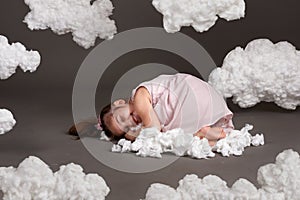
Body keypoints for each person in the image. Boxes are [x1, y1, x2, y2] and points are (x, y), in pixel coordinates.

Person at [69, 73, 234, 146]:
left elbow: (153, 128)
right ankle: (208, 132)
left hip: (189, 93)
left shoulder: (140, 95)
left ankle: (201, 131)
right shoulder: (142, 125)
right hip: (204, 112)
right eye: (125, 129)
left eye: (121, 118)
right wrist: (131, 134)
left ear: (120, 103)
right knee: (179, 137)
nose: (129, 123)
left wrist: (141, 133)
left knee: (169, 133)